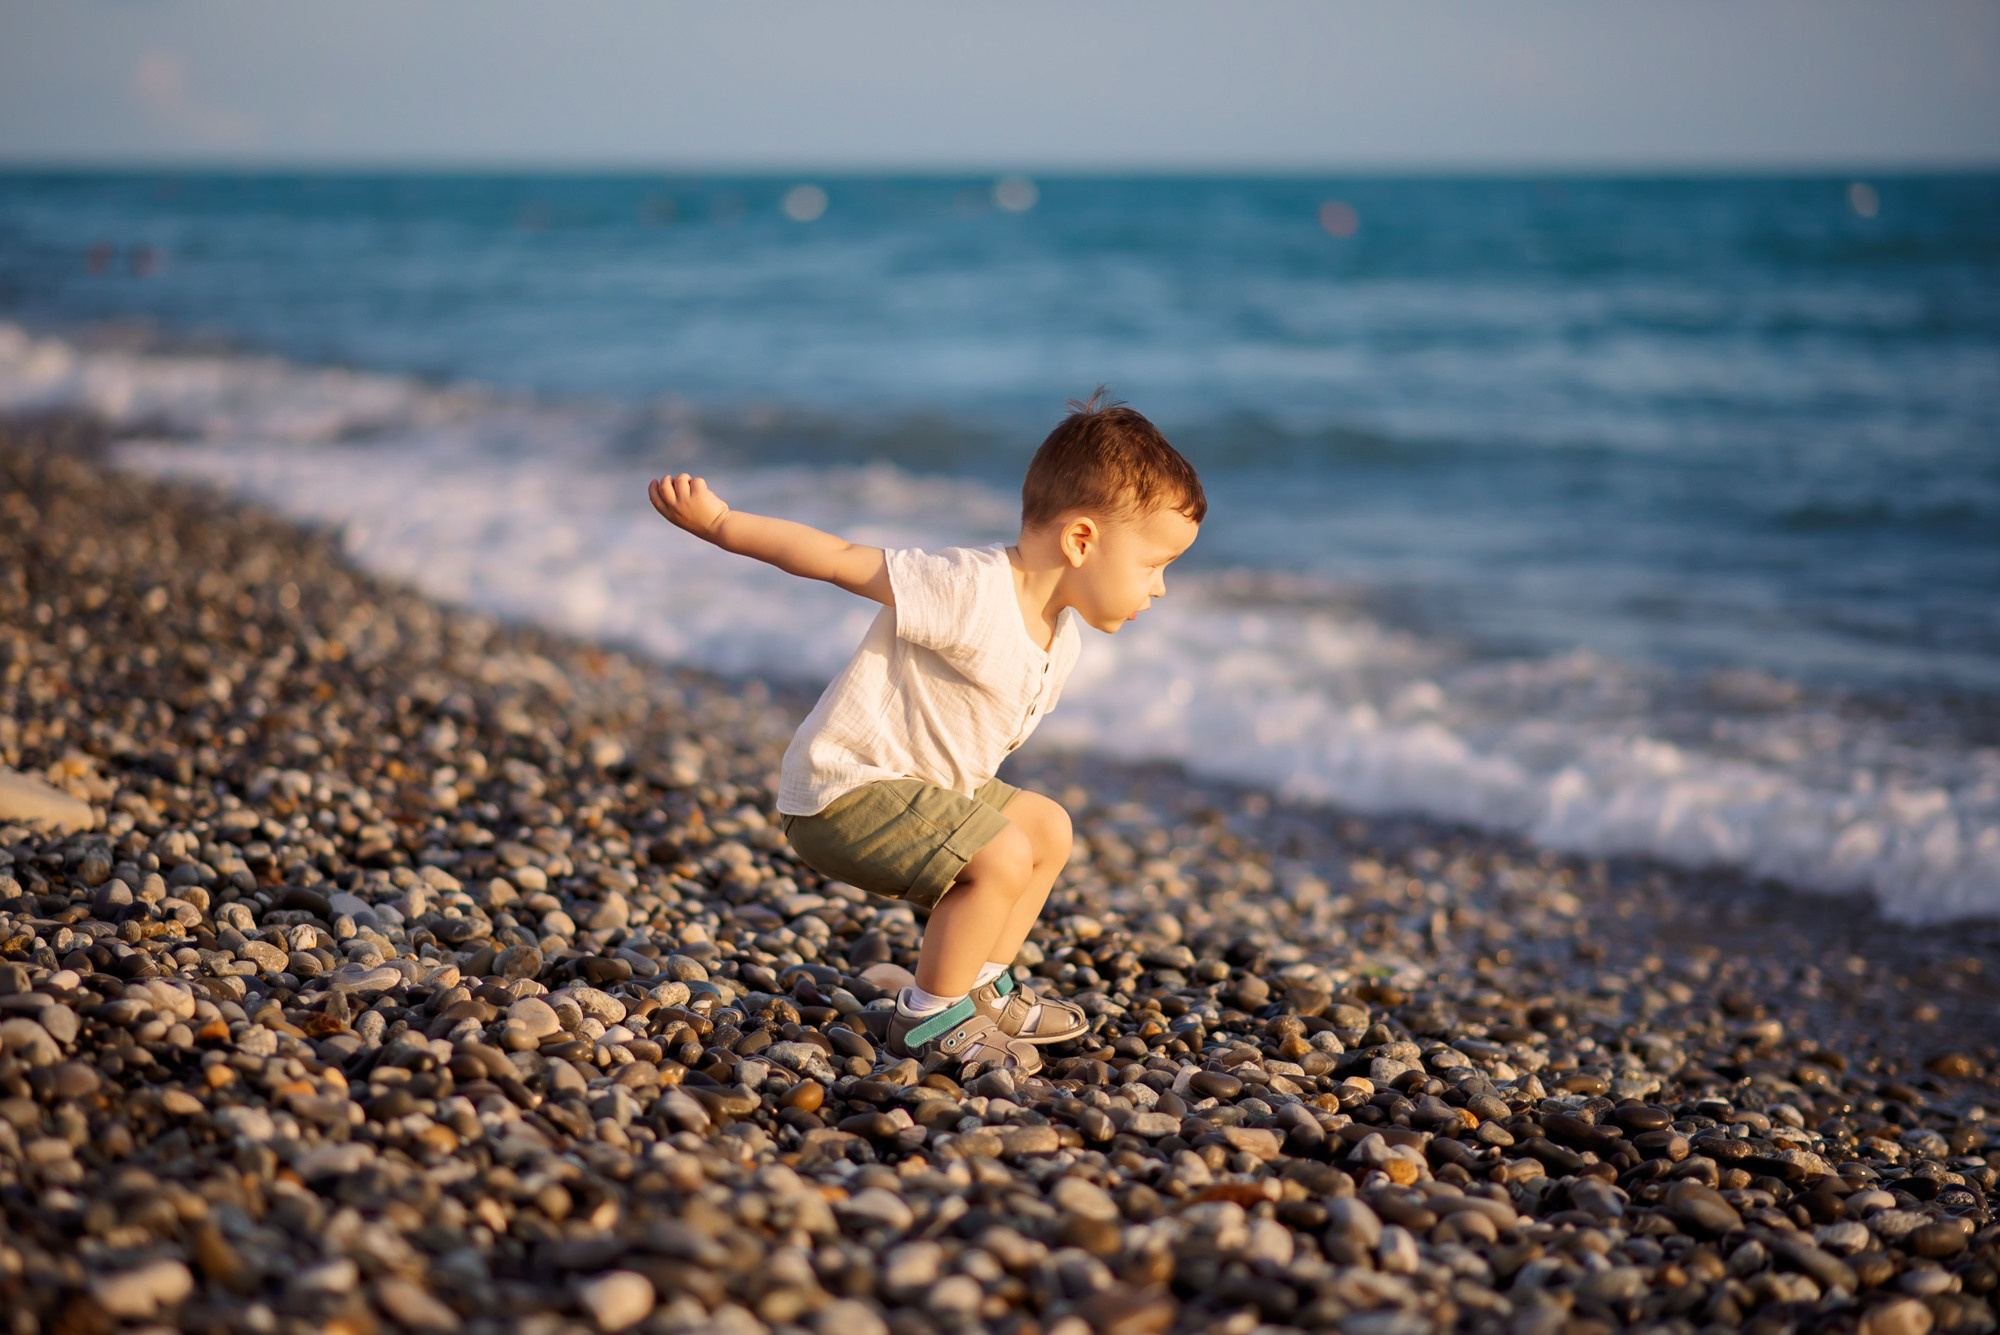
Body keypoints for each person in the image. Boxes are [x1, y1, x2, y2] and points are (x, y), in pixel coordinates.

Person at [648, 393, 1204, 1075]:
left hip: (927, 789)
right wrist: (722, 522)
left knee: (1047, 827)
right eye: (1154, 565)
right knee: (998, 853)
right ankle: (927, 1017)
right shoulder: (970, 588)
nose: (1161, 588)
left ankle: (979, 990)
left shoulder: (1060, 639)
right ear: (1081, 539)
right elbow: (839, 559)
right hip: (844, 791)